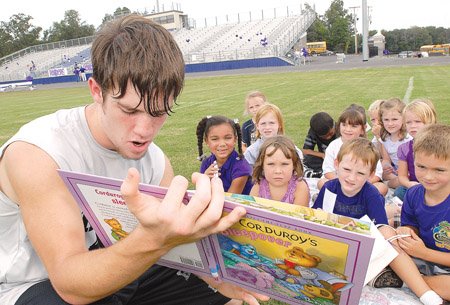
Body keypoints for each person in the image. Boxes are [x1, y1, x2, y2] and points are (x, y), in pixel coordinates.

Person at [0, 15, 268, 305]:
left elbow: (177, 248)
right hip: (32, 283)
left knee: (224, 295)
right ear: (96, 91)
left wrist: (218, 276)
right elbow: (69, 283)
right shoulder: (39, 152)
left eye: (158, 112)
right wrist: (155, 239)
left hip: (116, 255)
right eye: (129, 111)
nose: (144, 130)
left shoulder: (154, 160)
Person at [378, 124, 450, 305]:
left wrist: (425, 253)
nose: (428, 176)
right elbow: (411, 226)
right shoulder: (413, 193)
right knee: (385, 232)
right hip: (419, 259)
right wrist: (406, 232)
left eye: (439, 170)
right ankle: (426, 292)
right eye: (421, 166)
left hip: (442, 266)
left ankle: (410, 282)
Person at [312, 137, 388, 225]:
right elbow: (315, 216)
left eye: (360, 173)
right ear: (337, 164)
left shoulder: (372, 195)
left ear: (370, 174)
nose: (352, 178)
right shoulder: (329, 188)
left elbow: (381, 228)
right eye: (347, 169)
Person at [317, 107, 388, 196]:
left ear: (363, 129)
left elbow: (377, 174)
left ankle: (360, 200)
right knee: (321, 183)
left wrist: (359, 183)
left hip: (362, 185)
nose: (348, 129)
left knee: (382, 187)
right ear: (339, 126)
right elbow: (328, 171)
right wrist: (344, 183)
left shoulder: (368, 147)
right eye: (344, 125)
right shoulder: (333, 146)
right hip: (339, 183)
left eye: (353, 126)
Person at [196, 115, 253, 195]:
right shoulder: (206, 163)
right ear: (207, 141)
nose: (222, 144)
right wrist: (205, 179)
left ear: (235, 139)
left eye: (227, 138)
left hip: (235, 206)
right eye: (215, 139)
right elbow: (201, 193)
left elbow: (230, 200)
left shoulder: (241, 167)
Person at [250, 135, 310, 206]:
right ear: (262, 165)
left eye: (284, 164)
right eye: (271, 164)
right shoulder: (258, 186)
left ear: (294, 165)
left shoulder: (300, 187)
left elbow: (298, 216)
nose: (278, 171)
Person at [396, 99, 437, 201]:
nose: (412, 125)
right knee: (399, 192)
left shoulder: (439, 144)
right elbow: (402, 176)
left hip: (437, 184)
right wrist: (409, 184)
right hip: (416, 185)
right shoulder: (404, 148)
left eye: (417, 121)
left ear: (429, 122)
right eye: (408, 122)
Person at [378, 98, 412, 189]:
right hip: (396, 172)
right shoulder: (384, 139)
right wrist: (386, 165)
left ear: (404, 119)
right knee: (381, 172)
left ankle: (392, 184)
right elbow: (386, 159)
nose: (390, 123)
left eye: (394, 119)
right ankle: (397, 182)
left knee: (400, 181)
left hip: (410, 171)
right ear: (382, 120)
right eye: (386, 120)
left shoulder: (408, 139)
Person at [302, 112, 337, 178]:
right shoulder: (313, 132)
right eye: (324, 137)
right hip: (324, 160)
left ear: (334, 125)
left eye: (331, 133)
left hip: (339, 159)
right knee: (305, 158)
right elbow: (305, 151)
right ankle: (319, 173)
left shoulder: (341, 130)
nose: (328, 137)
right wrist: (322, 155)